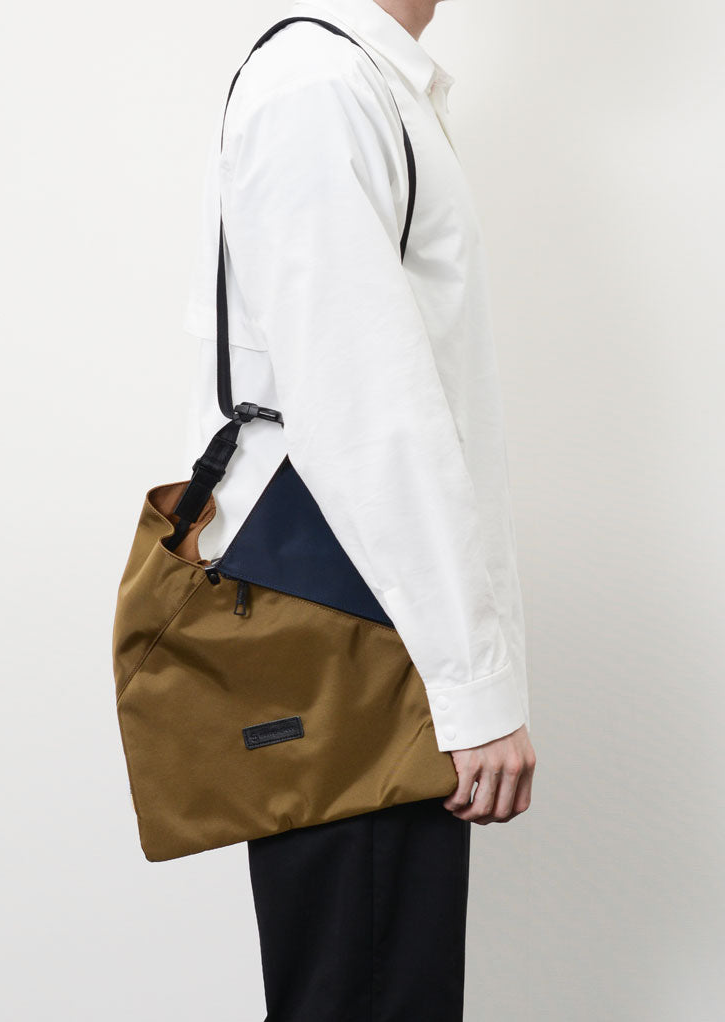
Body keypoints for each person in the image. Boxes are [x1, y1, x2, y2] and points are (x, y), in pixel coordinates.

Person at [183, 0, 537, 1017]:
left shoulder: (362, 80)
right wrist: (471, 686)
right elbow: (364, 409)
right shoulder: (320, 86)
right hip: (356, 628)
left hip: (372, 619)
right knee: (366, 991)